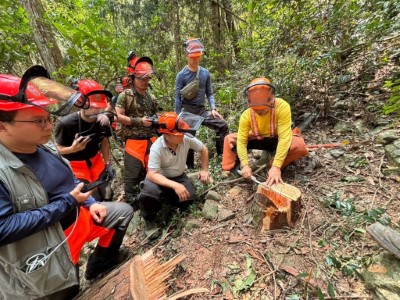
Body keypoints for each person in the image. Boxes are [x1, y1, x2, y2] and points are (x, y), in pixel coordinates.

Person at [0, 72, 134, 299]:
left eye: (48, 118)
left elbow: (69, 180)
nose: (48, 126)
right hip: (48, 247)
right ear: (3, 126)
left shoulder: (44, 147)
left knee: (122, 213)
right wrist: (67, 202)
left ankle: (99, 265)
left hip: (78, 217)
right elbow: (3, 228)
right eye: (38, 121)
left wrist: (90, 203)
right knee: (69, 290)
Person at [222, 77, 308, 185]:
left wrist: (276, 166)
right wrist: (245, 165)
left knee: (299, 146)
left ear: (271, 100)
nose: (259, 112)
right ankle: (232, 172)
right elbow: (241, 141)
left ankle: (271, 165)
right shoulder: (246, 115)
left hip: (277, 139)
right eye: (255, 109)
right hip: (260, 139)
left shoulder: (282, 107)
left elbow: (285, 138)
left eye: (262, 109)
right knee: (229, 139)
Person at [138, 112, 209, 225]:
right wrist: (175, 185)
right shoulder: (157, 147)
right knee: (149, 195)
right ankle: (150, 219)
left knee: (189, 197)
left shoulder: (186, 138)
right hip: (159, 180)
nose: (182, 135)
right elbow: (152, 174)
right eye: (178, 134)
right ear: (166, 135)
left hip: (178, 176)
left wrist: (204, 170)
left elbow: (203, 149)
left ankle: (169, 201)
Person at [54, 79, 114, 202]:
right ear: (81, 103)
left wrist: (107, 163)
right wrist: (72, 149)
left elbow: (104, 142)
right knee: (91, 199)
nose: (96, 110)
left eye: (99, 107)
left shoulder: (102, 122)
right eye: (92, 107)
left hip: (97, 162)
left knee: (107, 194)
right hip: (77, 167)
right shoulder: (66, 124)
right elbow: (57, 149)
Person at [175, 38, 229, 167]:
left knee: (222, 125)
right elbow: (177, 97)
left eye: (197, 57)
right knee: (187, 136)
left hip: (202, 110)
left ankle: (222, 159)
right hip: (187, 111)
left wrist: (213, 108)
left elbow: (209, 93)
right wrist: (177, 115)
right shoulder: (181, 75)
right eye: (192, 57)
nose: (195, 59)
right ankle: (189, 167)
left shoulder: (205, 73)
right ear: (186, 56)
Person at [115, 56, 161, 209]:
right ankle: (131, 209)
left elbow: (157, 115)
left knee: (154, 173)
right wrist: (139, 121)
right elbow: (118, 117)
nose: (144, 82)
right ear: (133, 78)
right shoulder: (125, 96)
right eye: (141, 79)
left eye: (147, 79)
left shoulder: (151, 97)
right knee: (132, 176)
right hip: (133, 140)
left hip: (151, 140)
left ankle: (153, 203)